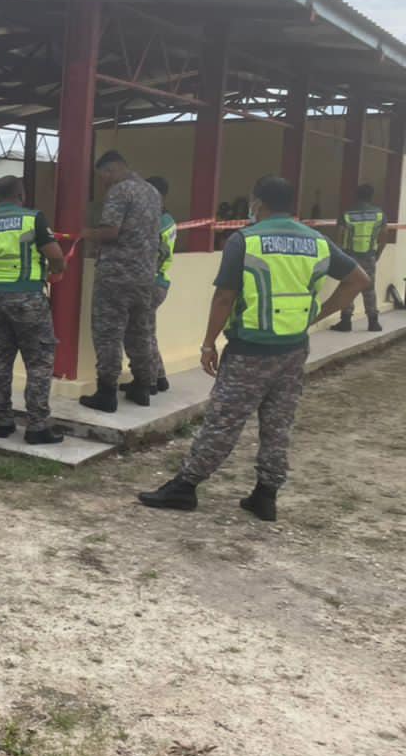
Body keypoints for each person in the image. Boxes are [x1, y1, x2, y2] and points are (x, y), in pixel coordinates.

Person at [138, 176, 369, 521]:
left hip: (250, 349)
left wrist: (207, 344)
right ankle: (266, 494)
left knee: (224, 419)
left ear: (258, 202)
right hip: (293, 347)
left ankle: (185, 486)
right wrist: (319, 313)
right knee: (278, 422)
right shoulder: (318, 242)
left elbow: (225, 296)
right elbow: (359, 280)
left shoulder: (245, 241)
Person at [0, 175, 66, 444]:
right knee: (39, 361)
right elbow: (55, 255)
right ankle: (37, 426)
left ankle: (3, 421)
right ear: (21, 195)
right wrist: (57, 272)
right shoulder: (33, 219)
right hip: (28, 298)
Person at [78, 151, 162, 412]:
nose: (102, 182)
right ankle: (142, 385)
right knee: (140, 331)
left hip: (116, 275)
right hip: (146, 275)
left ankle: (106, 392)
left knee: (108, 334)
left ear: (109, 170)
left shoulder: (119, 191)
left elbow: (110, 232)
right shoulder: (152, 192)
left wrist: (85, 233)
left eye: (102, 176)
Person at [333, 183, 385, 333]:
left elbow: (339, 235)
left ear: (356, 195)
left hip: (349, 256)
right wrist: (377, 254)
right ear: (371, 196)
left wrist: (340, 254)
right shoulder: (379, 214)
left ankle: (346, 322)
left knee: (348, 286)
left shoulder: (347, 214)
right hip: (369, 256)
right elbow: (384, 235)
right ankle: (373, 322)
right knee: (369, 288)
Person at [147, 176, 178, 394]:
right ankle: (158, 376)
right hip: (161, 280)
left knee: (142, 334)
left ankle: (150, 379)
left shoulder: (154, 221)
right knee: (148, 332)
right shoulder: (168, 219)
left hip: (151, 281)